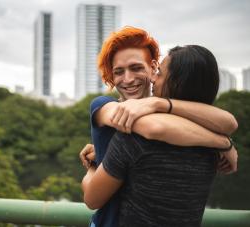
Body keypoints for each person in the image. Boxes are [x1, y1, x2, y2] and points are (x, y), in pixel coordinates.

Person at [79, 27, 238, 227]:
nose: (128, 79)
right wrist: (222, 142)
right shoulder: (104, 105)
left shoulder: (139, 134)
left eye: (136, 68)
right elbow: (152, 126)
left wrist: (158, 103)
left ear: (153, 68)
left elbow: (230, 122)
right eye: (118, 72)